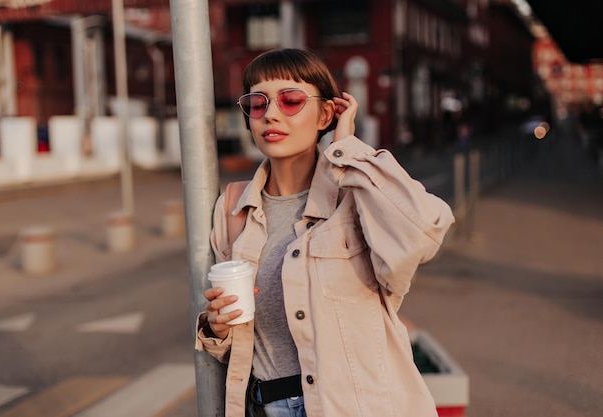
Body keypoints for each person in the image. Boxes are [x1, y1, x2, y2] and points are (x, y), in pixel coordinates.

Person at [195, 48, 455, 417]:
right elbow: (244, 345)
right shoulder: (233, 207)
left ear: (326, 114)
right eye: (257, 103)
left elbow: (426, 228)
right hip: (264, 406)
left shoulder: (356, 195)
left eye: (291, 100)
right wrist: (219, 329)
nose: (271, 113)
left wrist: (346, 149)